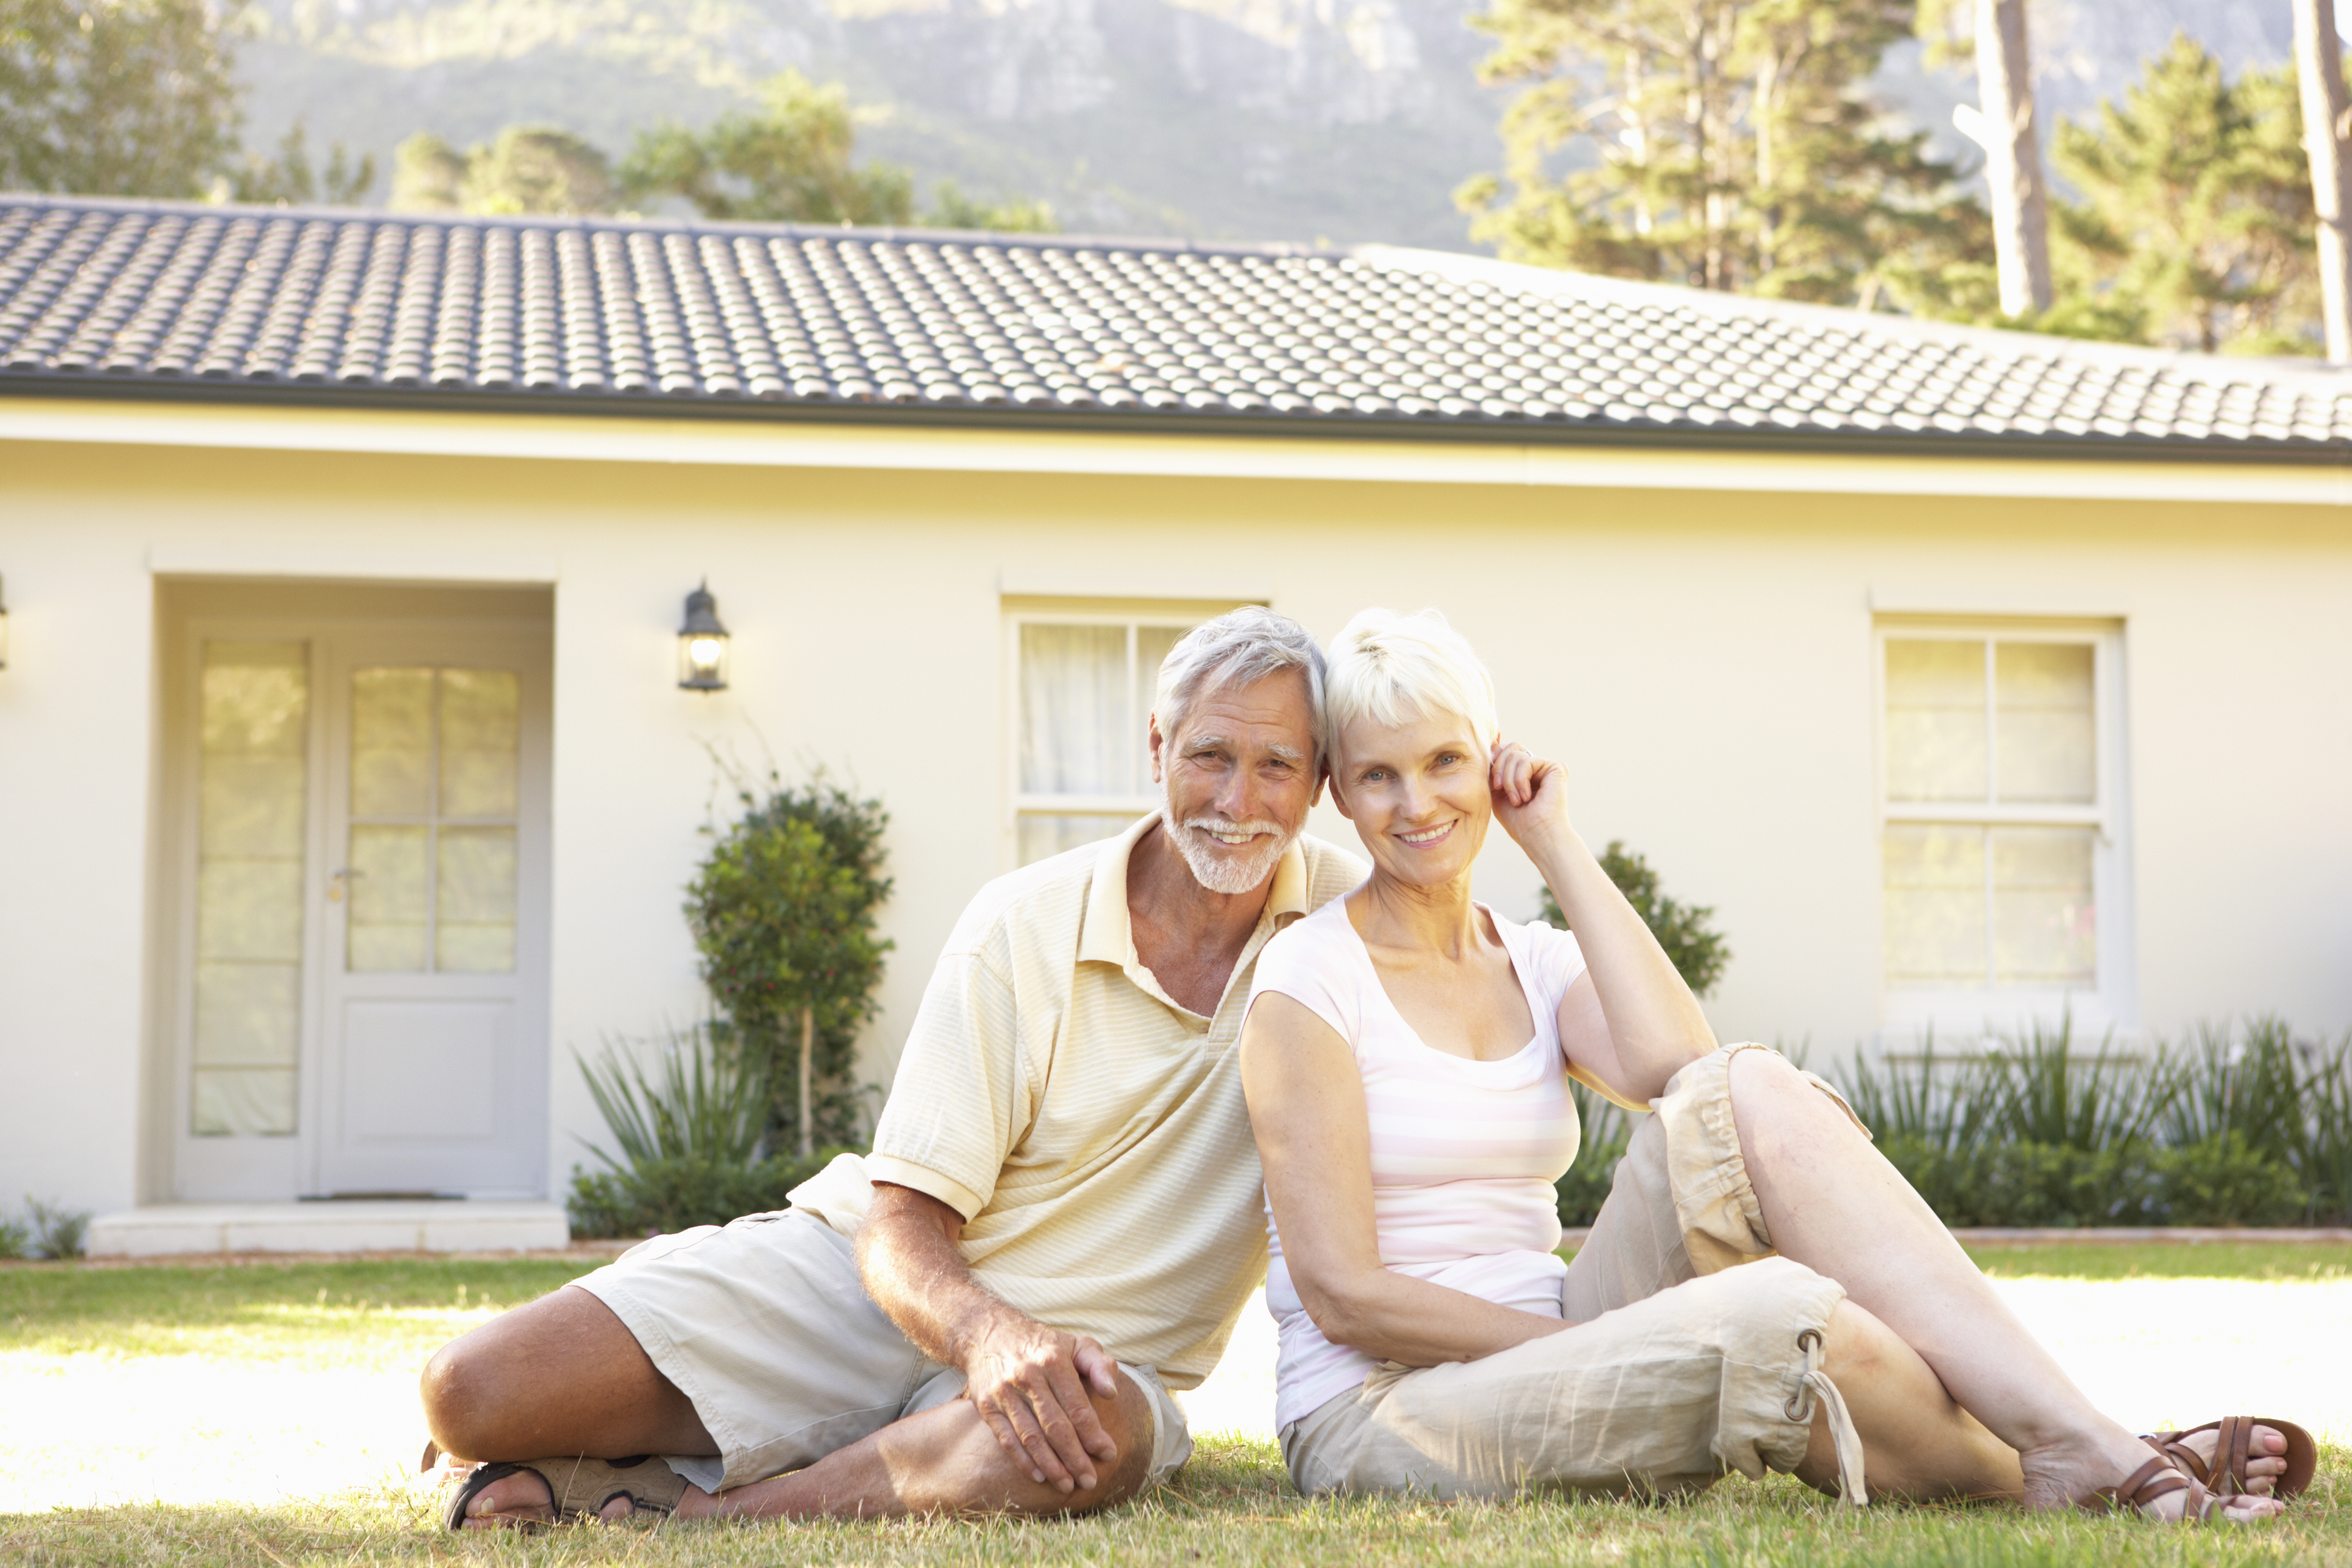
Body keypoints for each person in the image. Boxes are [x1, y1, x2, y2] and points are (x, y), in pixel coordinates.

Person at [1238, 606, 2316, 1522]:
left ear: (1490, 758)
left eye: (1443, 761)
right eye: (1379, 775)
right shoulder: (1309, 977)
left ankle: (2088, 1443)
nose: (1418, 804)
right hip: (1383, 1404)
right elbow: (1345, 1293)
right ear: (1340, 790)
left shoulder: (1528, 956)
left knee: (1747, 1082)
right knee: (1781, 1318)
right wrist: (1608, 1339)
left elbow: (1686, 1073)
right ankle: (2111, 1458)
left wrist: (1557, 843)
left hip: (1558, 1332)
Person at [422, 606, 1368, 1527]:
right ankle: (693, 1453)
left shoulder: (1354, 929)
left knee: (1100, 1437)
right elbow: (900, 1221)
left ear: (1320, 780)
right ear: (1156, 747)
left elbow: (1495, 964)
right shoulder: (1021, 923)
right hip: (876, 1289)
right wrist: (989, 1335)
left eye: (1275, 764)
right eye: (1211, 755)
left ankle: (704, 1511)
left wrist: (1524, 820)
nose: (1237, 802)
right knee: (473, 1388)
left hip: (1090, 1359)